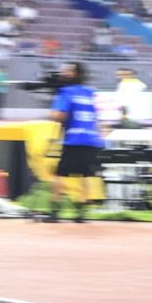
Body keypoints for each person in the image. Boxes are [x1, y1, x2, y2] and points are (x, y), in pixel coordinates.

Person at [46, 62, 104, 223]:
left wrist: (52, 109)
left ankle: (54, 211)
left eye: (67, 71)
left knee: (60, 174)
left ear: (76, 73)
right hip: (91, 140)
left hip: (73, 139)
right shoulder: (90, 92)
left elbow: (59, 116)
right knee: (84, 175)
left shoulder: (66, 92)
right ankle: (81, 213)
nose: (63, 73)